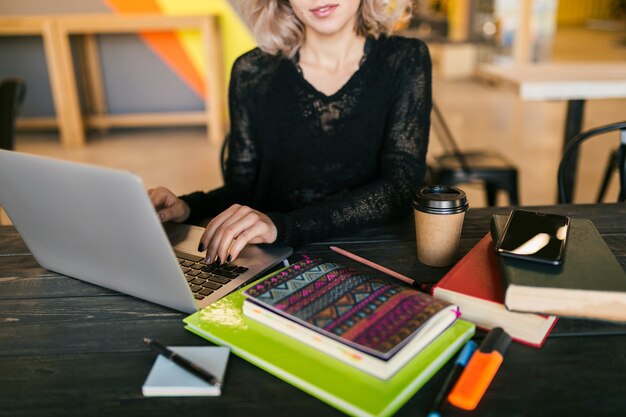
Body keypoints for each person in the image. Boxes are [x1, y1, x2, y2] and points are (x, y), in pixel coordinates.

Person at [149, 0, 432, 265]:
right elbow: (243, 188)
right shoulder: (251, 72)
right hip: (273, 257)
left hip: (374, 255)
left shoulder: (405, 59)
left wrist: (281, 227)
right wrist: (188, 206)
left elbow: (401, 187)